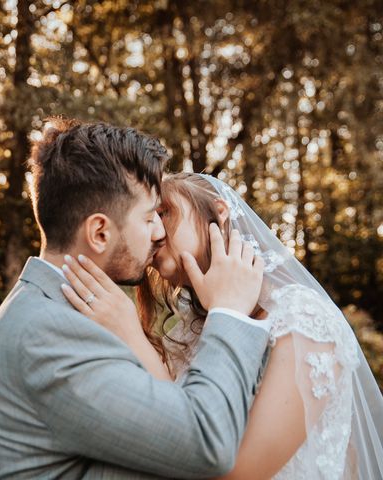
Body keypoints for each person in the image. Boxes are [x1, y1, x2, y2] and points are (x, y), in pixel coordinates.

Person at [0, 119, 271, 478]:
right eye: (150, 217)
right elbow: (205, 442)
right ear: (100, 232)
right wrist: (228, 313)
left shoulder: (56, 309)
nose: (160, 231)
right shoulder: (45, 332)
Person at [61, 172, 383, 479]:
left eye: (165, 212)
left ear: (219, 212)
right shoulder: (186, 328)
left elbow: (233, 472)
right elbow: (177, 428)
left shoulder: (304, 322)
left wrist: (131, 335)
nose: (155, 233)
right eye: (148, 219)